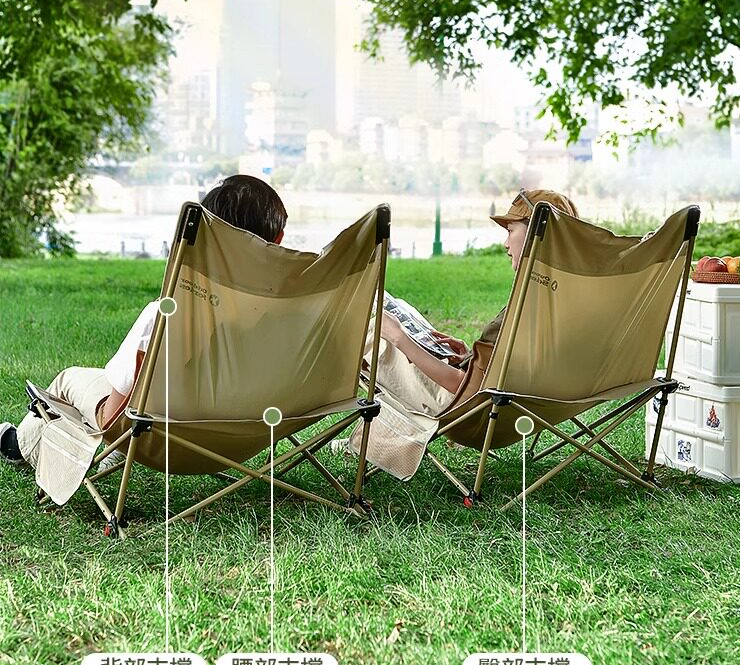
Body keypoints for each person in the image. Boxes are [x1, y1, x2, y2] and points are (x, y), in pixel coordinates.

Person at [0, 175, 288, 475]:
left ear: (203, 238)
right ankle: (110, 455)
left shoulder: (168, 315)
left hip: (161, 441)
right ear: (278, 239)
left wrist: (116, 425)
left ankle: (19, 447)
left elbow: (114, 416)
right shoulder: (293, 317)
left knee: (70, 380)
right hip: (243, 441)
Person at [345, 188, 579, 477]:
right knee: (406, 317)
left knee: (373, 335)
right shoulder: (564, 301)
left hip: (473, 414)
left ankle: (371, 444)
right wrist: (471, 358)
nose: (506, 243)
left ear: (534, 235)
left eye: (511, 231)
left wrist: (401, 340)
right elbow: (508, 369)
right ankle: (369, 442)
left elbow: (463, 389)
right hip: (528, 408)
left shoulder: (526, 307)